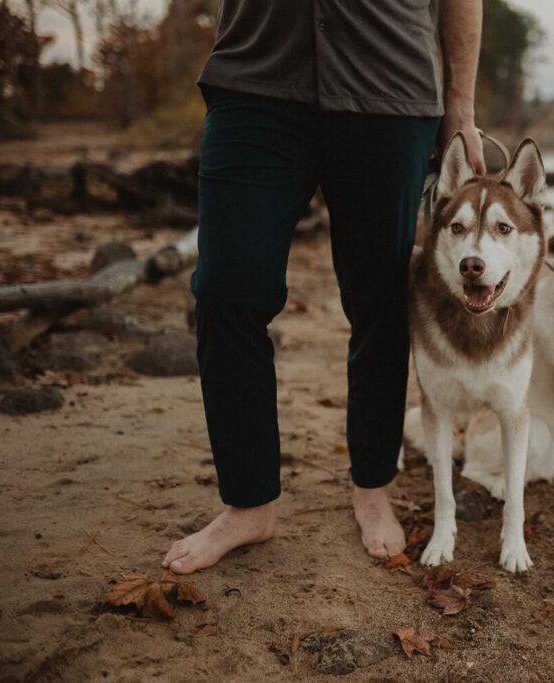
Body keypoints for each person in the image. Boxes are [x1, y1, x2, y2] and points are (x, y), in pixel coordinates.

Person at [162, 1, 486, 574]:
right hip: (254, 82)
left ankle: (372, 486)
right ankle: (248, 505)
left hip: (388, 89)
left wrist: (460, 103)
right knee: (225, 291)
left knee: (380, 302)